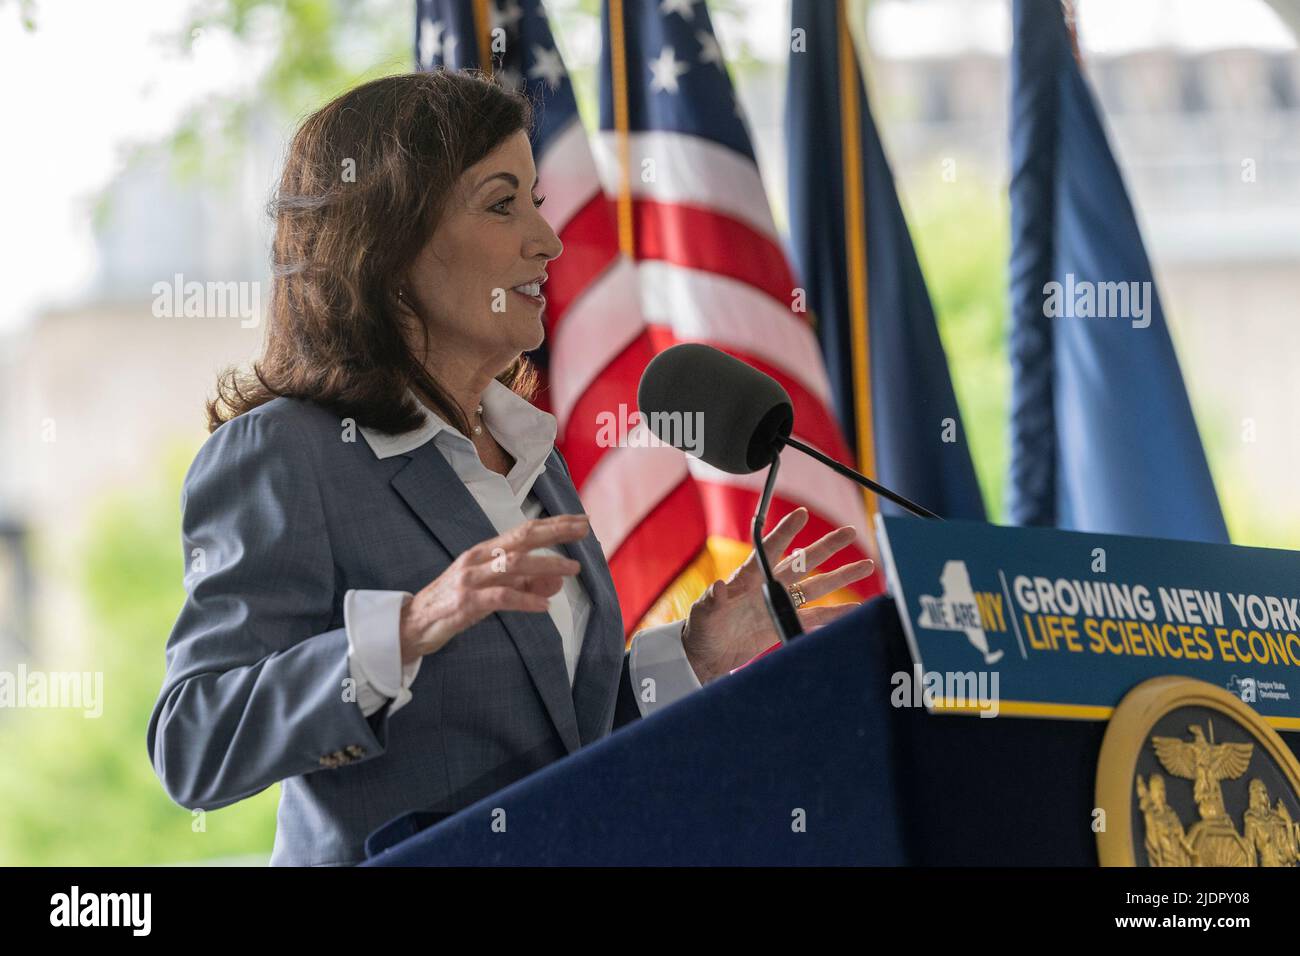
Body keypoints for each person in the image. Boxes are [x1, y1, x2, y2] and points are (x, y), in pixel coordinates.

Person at [146, 69, 873, 866]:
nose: (548, 241)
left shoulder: (526, 450)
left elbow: (567, 750)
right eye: (502, 204)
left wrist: (695, 654)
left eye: (537, 200)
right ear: (388, 248)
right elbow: (195, 742)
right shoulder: (288, 454)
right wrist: (411, 626)